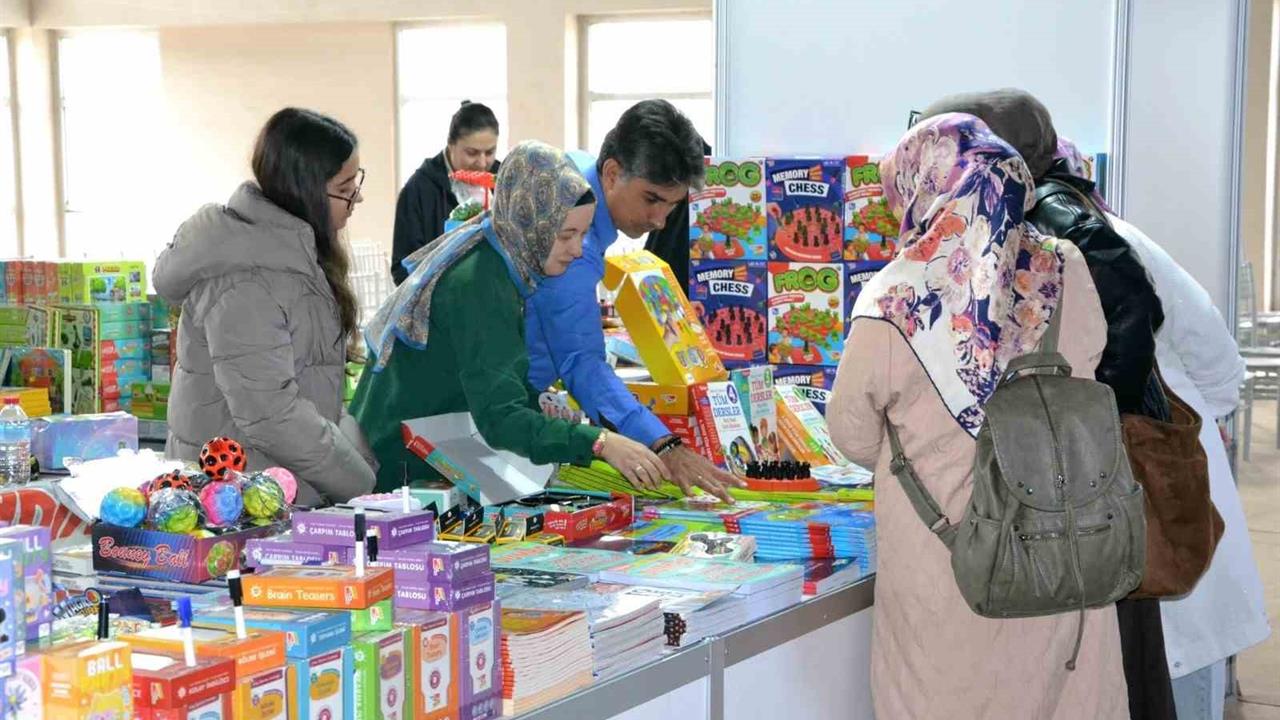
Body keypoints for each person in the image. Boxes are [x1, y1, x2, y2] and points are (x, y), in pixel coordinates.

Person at [828, 113, 1128, 719]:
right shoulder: (1066, 269)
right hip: (1060, 539)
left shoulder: (893, 299)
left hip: (952, 565)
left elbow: (851, 435)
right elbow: (1090, 363)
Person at [920, 89, 1175, 720]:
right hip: (1085, 449)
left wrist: (1086, 412)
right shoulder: (1049, 202)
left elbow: (1137, 308)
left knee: (1105, 603)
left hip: (1086, 453)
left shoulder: (1051, 210)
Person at [1057, 138, 1271, 720]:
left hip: (1161, 485)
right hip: (1096, 520)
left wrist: (1172, 430)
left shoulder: (1118, 244)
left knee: (1175, 675)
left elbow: (1220, 366)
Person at [351, 141, 668, 493]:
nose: (578, 251)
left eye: (582, 235)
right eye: (567, 235)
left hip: (422, 455)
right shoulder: (482, 283)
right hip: (399, 472)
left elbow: (504, 385)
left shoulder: (498, 259)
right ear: (533, 223)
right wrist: (600, 443)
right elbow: (501, 419)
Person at [155, 107, 376, 506]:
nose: (357, 197)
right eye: (345, 188)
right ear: (305, 190)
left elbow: (311, 389)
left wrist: (361, 460)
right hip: (235, 504)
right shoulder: (246, 280)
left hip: (278, 488)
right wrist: (359, 481)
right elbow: (270, 413)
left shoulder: (295, 258)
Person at [525, 100, 742, 502]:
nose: (660, 221)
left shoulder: (576, 172)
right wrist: (663, 444)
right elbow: (580, 363)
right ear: (611, 173)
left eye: (673, 206)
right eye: (652, 199)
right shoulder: (575, 242)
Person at [391, 101, 501, 284]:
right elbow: (403, 268)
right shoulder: (418, 190)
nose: (482, 163)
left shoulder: (505, 180)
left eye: (490, 152)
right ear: (451, 144)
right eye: (472, 153)